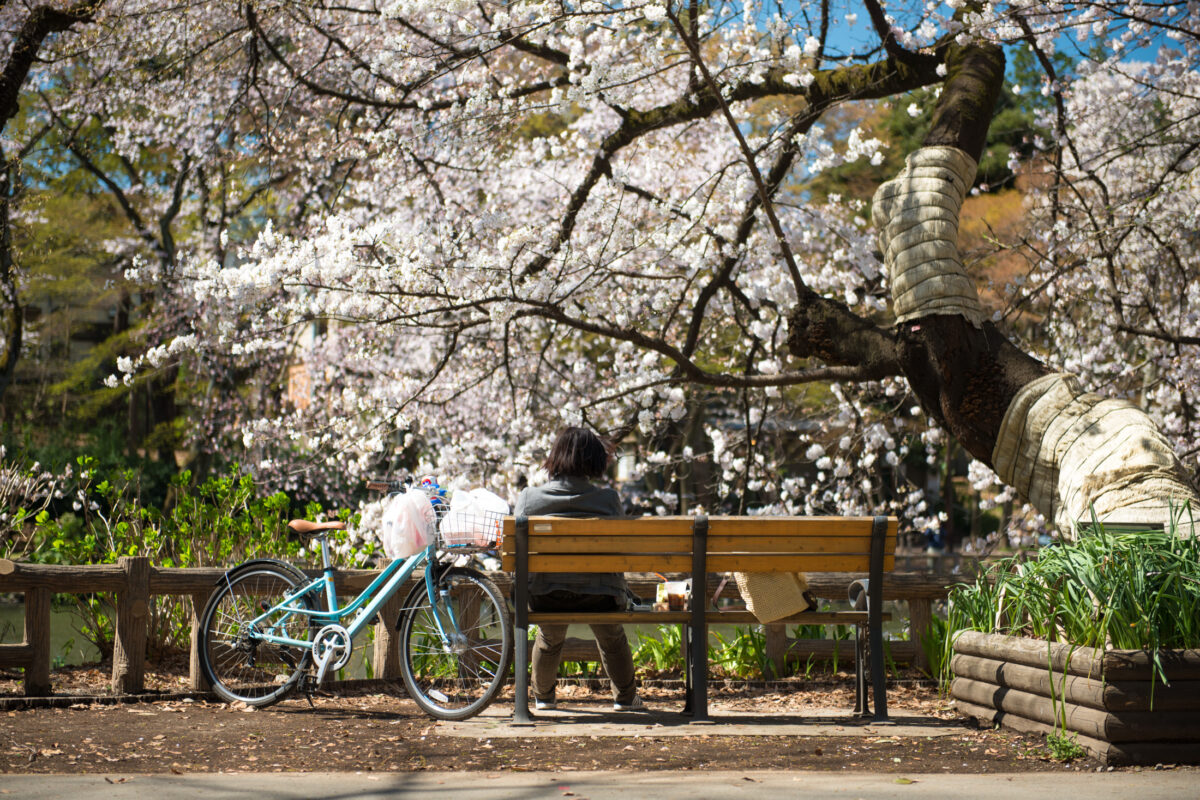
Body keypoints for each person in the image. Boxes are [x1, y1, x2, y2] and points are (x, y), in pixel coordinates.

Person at [513, 426, 643, 712]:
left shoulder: (529, 499)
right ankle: (626, 697)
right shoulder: (608, 500)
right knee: (611, 634)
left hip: (546, 595)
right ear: (594, 461)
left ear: (555, 457)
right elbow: (619, 552)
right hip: (600, 596)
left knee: (549, 636)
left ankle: (544, 697)